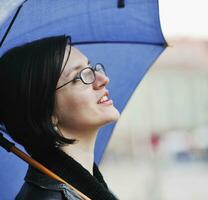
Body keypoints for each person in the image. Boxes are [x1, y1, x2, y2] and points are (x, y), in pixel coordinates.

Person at [0, 35, 120, 199]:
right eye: (79, 77)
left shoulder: (89, 188)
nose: (103, 79)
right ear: (46, 112)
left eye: (91, 68)